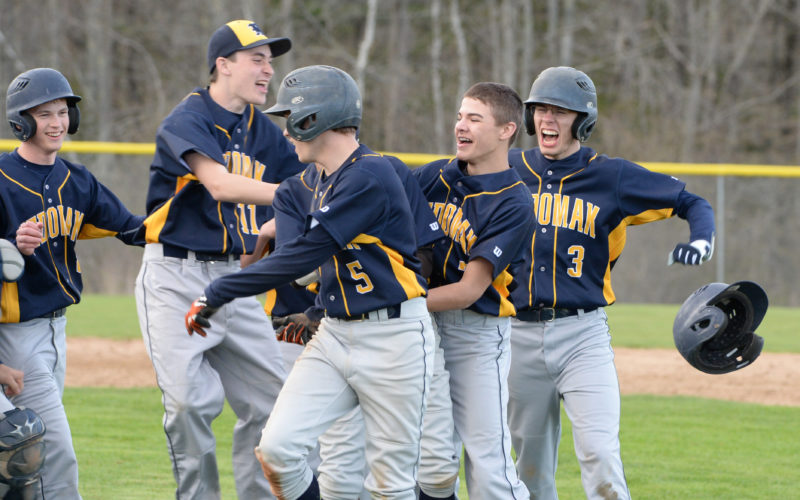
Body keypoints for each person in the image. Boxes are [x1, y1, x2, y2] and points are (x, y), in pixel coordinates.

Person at [185, 64, 434, 500]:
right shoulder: (300, 187)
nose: (286, 133)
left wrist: (218, 291)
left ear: (315, 119)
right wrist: (315, 308)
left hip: (394, 338)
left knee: (390, 485)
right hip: (334, 334)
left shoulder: (370, 174)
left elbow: (303, 255)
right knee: (278, 450)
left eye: (291, 121)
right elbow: (298, 263)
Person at [506, 66, 715, 500]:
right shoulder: (507, 168)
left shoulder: (611, 176)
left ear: (582, 120)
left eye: (561, 111)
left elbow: (690, 201)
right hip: (516, 336)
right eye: (541, 109)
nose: (548, 119)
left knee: (600, 457)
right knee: (529, 469)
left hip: (582, 336)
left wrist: (701, 239)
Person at [134, 19, 304, 499]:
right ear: (222, 65)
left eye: (270, 60)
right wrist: (291, 201)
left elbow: (305, 182)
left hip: (236, 277)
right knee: (190, 406)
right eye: (257, 59)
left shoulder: (264, 132)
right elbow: (222, 185)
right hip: (175, 276)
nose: (268, 70)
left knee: (274, 406)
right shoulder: (186, 119)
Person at [0, 67, 145, 499]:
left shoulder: (77, 181)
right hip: (15, 333)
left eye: (62, 112)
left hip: (57, 330)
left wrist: (186, 211)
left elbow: (132, 228)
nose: (57, 122)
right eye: (43, 114)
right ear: (21, 122)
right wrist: (10, 246)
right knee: (52, 453)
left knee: (24, 461)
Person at [413, 82, 534, 500]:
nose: (460, 126)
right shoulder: (435, 176)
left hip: (476, 335)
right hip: (422, 328)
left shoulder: (514, 202)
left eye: (474, 118)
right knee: (429, 458)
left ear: (506, 130)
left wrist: (394, 302)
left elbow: (468, 291)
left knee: (489, 464)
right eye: (460, 116)